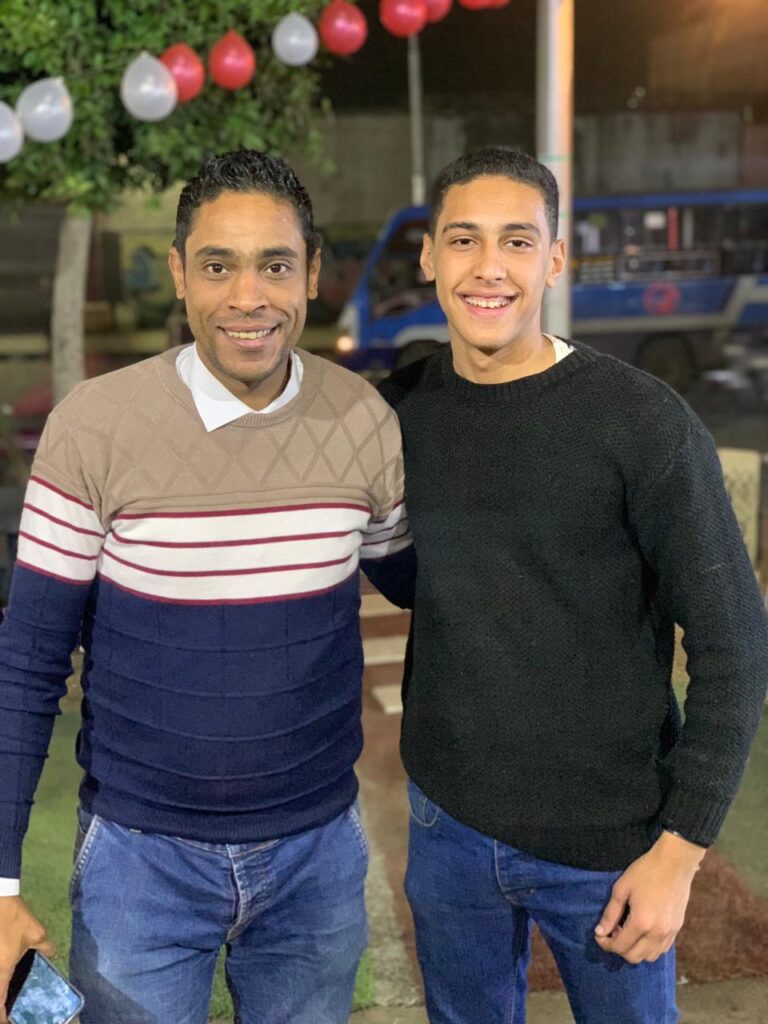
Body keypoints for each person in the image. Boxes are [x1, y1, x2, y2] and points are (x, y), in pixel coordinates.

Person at [0, 149, 414, 1024]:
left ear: (311, 273)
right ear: (180, 273)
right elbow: (28, 664)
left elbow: (427, 579)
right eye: (219, 266)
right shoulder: (94, 427)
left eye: (275, 265)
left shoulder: (367, 422)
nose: (248, 297)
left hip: (317, 860)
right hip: (138, 866)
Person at [366, 148, 768, 1024]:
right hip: (446, 825)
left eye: (517, 241)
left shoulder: (642, 423)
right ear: (428, 256)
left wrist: (679, 853)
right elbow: (418, 578)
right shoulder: (399, 411)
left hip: (609, 849)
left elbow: (737, 643)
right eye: (464, 239)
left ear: (553, 260)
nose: (489, 267)